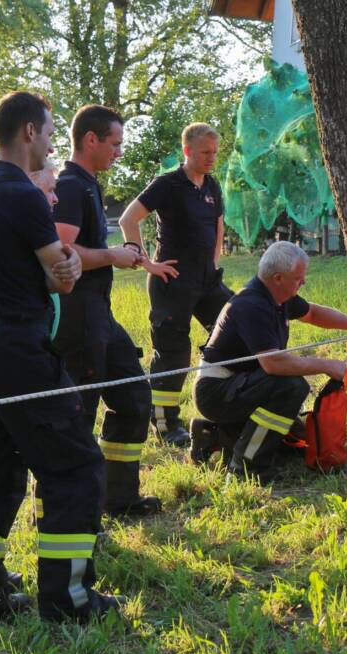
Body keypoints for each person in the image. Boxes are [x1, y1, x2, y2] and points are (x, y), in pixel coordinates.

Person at [0, 91, 122, 626]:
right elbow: (61, 274)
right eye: (48, 132)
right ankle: (68, 602)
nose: (52, 143)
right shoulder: (23, 195)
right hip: (17, 346)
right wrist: (65, 267)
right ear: (28, 131)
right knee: (75, 464)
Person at [52, 105, 161, 517]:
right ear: (90, 140)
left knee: (134, 397)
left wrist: (122, 255)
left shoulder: (89, 185)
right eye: (114, 144)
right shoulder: (70, 184)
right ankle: (75, 515)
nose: (118, 152)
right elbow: (61, 252)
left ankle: (119, 499)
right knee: (79, 416)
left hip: (101, 314)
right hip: (76, 319)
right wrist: (112, 256)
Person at [191, 242, 347, 483]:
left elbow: (312, 313)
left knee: (296, 438)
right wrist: (326, 365)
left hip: (238, 385)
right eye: (298, 278)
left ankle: (216, 435)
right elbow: (274, 365)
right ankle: (246, 464)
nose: (304, 282)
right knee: (291, 387)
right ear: (278, 277)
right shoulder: (252, 304)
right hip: (216, 392)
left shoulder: (278, 295)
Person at [118, 122, 232, 447]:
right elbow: (129, 219)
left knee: (235, 329)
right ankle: (166, 423)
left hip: (207, 280)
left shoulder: (212, 185)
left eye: (215, 152)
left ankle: (223, 405)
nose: (211, 158)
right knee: (173, 352)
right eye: (205, 152)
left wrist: (213, 261)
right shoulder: (167, 184)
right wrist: (147, 263)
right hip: (171, 281)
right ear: (187, 151)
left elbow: (218, 225)